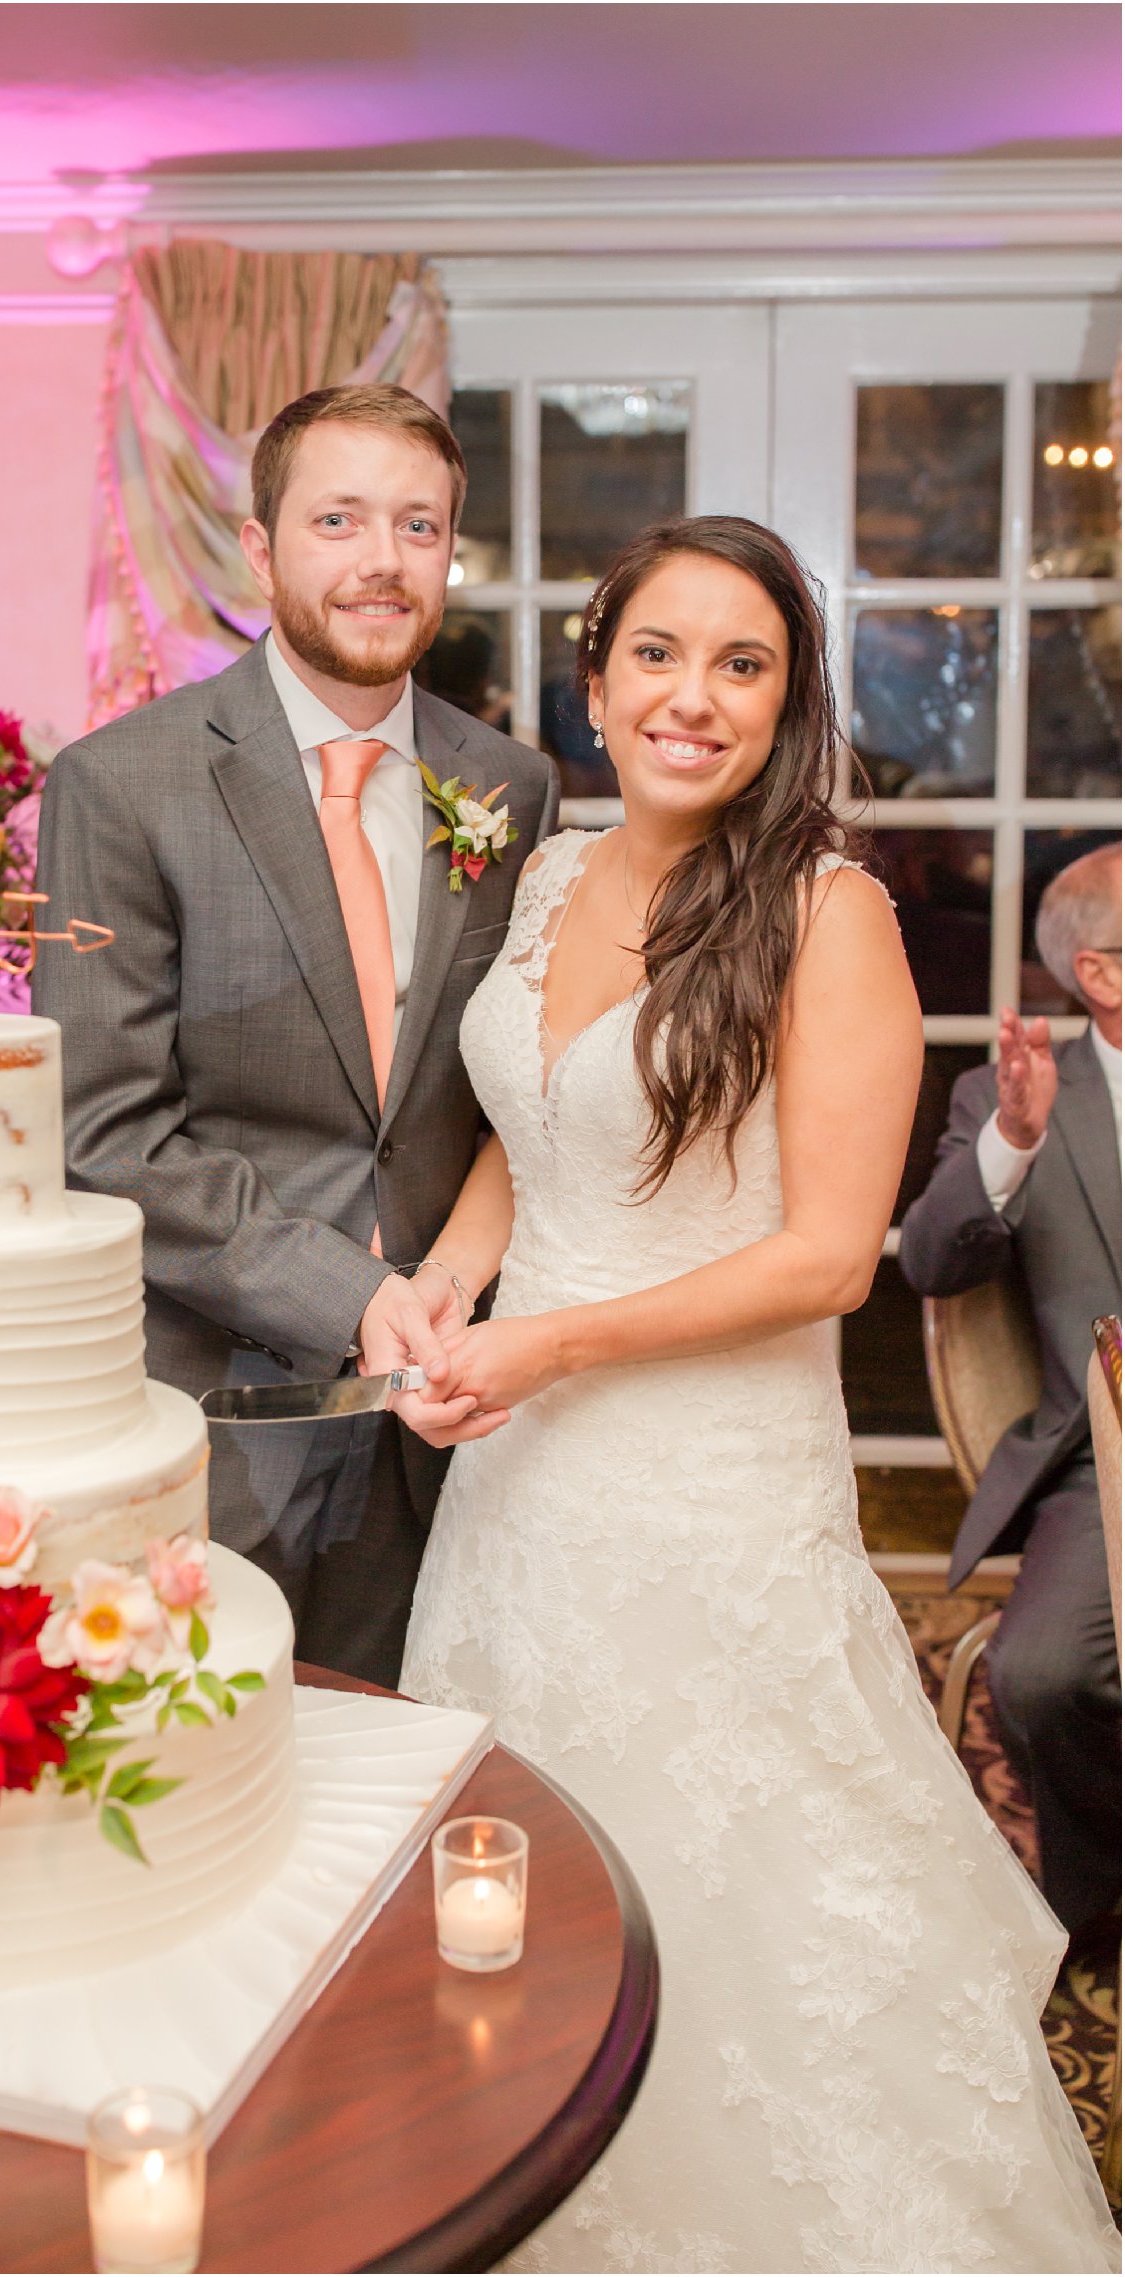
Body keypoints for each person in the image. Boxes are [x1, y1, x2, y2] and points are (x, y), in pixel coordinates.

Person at [398, 517, 1117, 2271]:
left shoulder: (828, 912)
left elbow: (827, 1260)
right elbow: (532, 1132)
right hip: (516, 1471)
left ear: (787, 705)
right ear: (593, 677)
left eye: (744, 666)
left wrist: (549, 1343)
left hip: (708, 1472)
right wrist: (450, 1277)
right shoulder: (552, 878)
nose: (693, 698)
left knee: (741, 1878)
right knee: (529, 1852)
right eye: (659, 654)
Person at [34, 383, 558, 1687]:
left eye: (420, 526)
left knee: (425, 1767)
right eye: (341, 519)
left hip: (462, 1405)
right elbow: (101, 1132)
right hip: (226, 1409)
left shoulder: (512, 785)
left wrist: (448, 1294)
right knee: (214, 1771)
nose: (384, 560)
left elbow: (520, 1090)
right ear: (262, 548)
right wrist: (351, 1294)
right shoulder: (121, 785)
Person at [900, 843, 1121, 1955]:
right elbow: (930, 1262)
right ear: (1101, 976)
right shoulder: (1006, 1098)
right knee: (1038, 1677)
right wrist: (1014, 1144)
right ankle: (1095, 1901)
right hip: (1101, 1465)